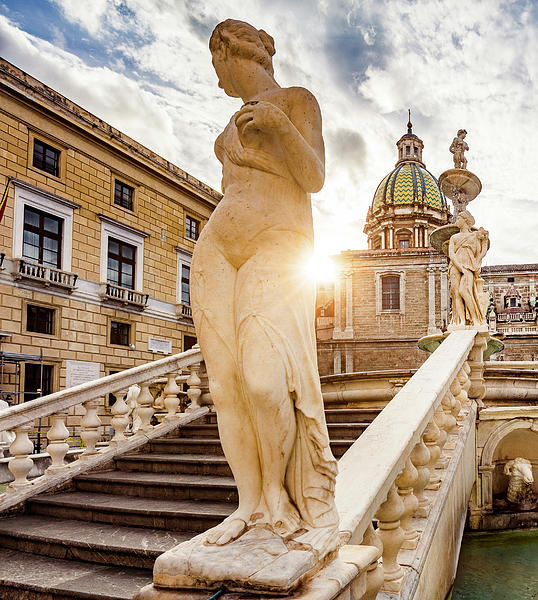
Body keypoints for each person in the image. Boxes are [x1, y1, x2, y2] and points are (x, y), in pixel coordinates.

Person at [192, 19, 337, 547]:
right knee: (225, 386)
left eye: (217, 63)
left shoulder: (298, 102)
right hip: (217, 247)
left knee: (262, 379)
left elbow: (315, 177)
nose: (217, 78)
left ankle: (279, 493)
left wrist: (279, 127)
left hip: (278, 241)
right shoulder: (226, 129)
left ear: (235, 53)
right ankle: (248, 503)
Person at [448, 210, 489, 327]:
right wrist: (459, 267)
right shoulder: (454, 237)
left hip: (469, 265)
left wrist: (478, 261)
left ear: (465, 221)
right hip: (455, 266)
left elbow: (482, 251)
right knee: (456, 294)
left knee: (465, 291)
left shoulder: (474, 236)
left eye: (458, 219)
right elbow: (451, 253)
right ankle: (460, 321)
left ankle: (475, 318)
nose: (456, 221)